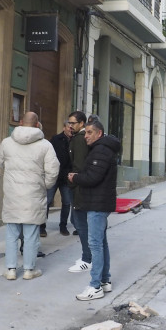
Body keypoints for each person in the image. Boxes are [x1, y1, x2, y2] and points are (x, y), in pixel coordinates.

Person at [0, 111, 59, 281]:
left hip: (12, 194)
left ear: (20, 122)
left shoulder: (7, 143)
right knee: (31, 235)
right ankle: (29, 270)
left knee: (11, 234)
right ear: (38, 124)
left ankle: (10, 269)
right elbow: (53, 171)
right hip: (34, 195)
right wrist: (43, 185)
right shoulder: (45, 145)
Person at [68, 118, 121, 301]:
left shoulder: (101, 151)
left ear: (99, 134)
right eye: (85, 133)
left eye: (89, 132)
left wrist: (75, 178)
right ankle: (105, 281)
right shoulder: (102, 149)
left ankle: (95, 286)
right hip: (99, 202)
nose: (86, 136)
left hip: (97, 204)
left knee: (95, 245)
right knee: (101, 242)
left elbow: (93, 178)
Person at [66, 111, 93, 273]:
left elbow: (79, 165)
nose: (70, 125)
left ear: (81, 123)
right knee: (82, 223)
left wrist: (73, 182)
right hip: (81, 186)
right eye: (69, 122)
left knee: (81, 224)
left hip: (79, 187)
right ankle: (87, 255)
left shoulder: (79, 140)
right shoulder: (78, 139)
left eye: (73, 123)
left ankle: (87, 258)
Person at [43, 120, 74, 237]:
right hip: (54, 175)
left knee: (66, 202)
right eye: (69, 127)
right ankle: (42, 226)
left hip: (67, 177)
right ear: (64, 128)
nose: (71, 129)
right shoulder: (56, 139)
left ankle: (63, 226)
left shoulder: (75, 140)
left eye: (72, 127)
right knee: (47, 201)